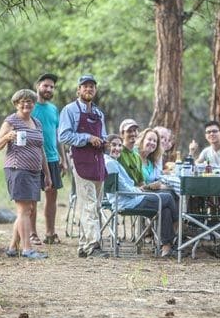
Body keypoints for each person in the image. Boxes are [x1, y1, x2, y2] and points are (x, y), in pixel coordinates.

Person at [0, 89, 51, 259]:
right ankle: (27, 249)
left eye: (30, 101)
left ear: (34, 104)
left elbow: (41, 150)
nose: (26, 104)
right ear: (16, 104)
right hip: (18, 169)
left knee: (29, 210)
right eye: (22, 102)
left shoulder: (36, 122)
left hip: (34, 171)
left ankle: (12, 247)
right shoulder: (11, 121)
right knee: (24, 210)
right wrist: (7, 137)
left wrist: (46, 174)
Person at [59, 74, 109, 258]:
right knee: (88, 204)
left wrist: (105, 142)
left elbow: (103, 135)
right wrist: (87, 138)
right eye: (85, 86)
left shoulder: (98, 113)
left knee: (95, 206)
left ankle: (83, 245)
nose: (89, 89)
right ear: (78, 90)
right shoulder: (69, 110)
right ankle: (93, 246)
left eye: (92, 87)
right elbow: (64, 136)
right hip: (81, 162)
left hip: (98, 162)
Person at [104, 134, 179, 258]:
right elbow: (122, 188)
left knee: (164, 208)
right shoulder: (110, 164)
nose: (117, 148)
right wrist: (140, 190)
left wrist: (139, 190)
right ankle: (177, 226)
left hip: (131, 197)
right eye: (113, 145)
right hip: (127, 201)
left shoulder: (112, 162)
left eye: (119, 145)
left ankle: (167, 247)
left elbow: (123, 185)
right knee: (168, 197)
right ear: (106, 146)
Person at [31, 73, 68, 245]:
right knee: (31, 198)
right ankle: (32, 234)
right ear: (37, 86)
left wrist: (63, 158)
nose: (48, 89)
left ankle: (50, 233)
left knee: (51, 196)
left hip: (52, 158)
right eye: (45, 86)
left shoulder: (54, 109)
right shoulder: (29, 107)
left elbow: (57, 134)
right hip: (33, 158)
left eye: (52, 87)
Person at [118, 118, 144, 186]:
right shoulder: (118, 153)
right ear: (122, 134)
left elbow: (141, 183)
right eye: (129, 131)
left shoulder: (138, 157)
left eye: (135, 130)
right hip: (125, 194)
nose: (133, 134)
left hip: (138, 193)